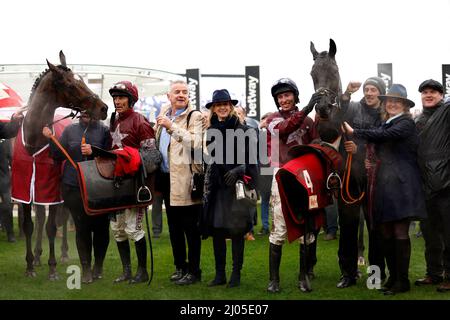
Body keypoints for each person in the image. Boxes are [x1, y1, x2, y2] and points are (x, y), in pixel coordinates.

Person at [343, 83, 426, 295]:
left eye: (397, 101)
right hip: (386, 184)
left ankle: (402, 281)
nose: (392, 104)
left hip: (402, 184)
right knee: (386, 232)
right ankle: (392, 278)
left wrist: (354, 132)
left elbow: (381, 136)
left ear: (405, 105)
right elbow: (378, 136)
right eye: (389, 101)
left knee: (399, 231)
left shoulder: (405, 123)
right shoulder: (387, 122)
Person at [265, 78, 322, 293]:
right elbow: (287, 127)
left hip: (304, 177)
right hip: (281, 176)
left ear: (294, 96)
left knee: (307, 227)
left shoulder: (308, 122)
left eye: (287, 95)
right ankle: (274, 280)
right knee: (279, 227)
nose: (284, 99)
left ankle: (303, 277)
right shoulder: (272, 119)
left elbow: (316, 144)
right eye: (280, 96)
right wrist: (307, 107)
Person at [42, 111, 112, 283]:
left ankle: (99, 266)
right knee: (82, 228)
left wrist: (94, 151)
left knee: (102, 228)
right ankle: (86, 268)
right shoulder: (70, 130)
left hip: (100, 186)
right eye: (83, 110)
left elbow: (112, 156)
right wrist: (50, 139)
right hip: (73, 186)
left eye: (89, 109)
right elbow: (57, 155)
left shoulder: (104, 130)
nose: (86, 113)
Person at [200, 89, 259, 288]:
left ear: (231, 106)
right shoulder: (210, 131)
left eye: (226, 104)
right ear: (214, 109)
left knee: (236, 232)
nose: (222, 107)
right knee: (217, 231)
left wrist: (240, 169)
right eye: (218, 105)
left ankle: (236, 274)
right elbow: (213, 159)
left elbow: (253, 160)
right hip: (218, 188)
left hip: (238, 189)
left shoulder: (243, 129)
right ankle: (219, 275)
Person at [335, 77, 387, 288]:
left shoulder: (386, 115)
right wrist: (347, 93)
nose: (369, 92)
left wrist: (361, 150)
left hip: (376, 178)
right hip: (350, 176)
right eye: (366, 89)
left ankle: (376, 275)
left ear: (380, 93)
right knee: (347, 226)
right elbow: (337, 115)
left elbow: (386, 141)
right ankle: (348, 273)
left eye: (373, 89)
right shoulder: (354, 108)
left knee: (375, 229)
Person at [109, 80, 158, 284]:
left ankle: (142, 271)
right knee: (118, 230)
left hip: (134, 185)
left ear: (131, 100)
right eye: (115, 97)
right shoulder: (113, 121)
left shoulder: (141, 121)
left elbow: (152, 158)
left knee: (133, 229)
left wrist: (131, 160)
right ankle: (126, 271)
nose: (117, 101)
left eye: (121, 97)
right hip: (114, 185)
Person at [155, 80, 203, 285]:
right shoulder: (164, 114)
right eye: (177, 92)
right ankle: (180, 267)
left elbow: (197, 143)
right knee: (174, 228)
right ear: (169, 96)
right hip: (166, 178)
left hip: (186, 180)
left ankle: (194, 271)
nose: (181, 95)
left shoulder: (196, 116)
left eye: (184, 92)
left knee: (190, 229)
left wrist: (171, 127)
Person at [413, 79, 450, 292]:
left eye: (433, 92)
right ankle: (433, 273)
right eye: (425, 92)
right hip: (424, 186)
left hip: (446, 186)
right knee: (429, 234)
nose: (428, 95)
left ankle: (449, 275)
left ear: (441, 95)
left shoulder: (446, 112)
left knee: (449, 234)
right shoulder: (418, 120)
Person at [257, 112, 274, 236]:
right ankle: (265, 226)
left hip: (274, 169)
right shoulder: (257, 134)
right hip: (262, 171)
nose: (266, 123)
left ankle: (276, 226)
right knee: (265, 200)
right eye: (265, 120)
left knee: (276, 200)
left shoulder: (275, 135)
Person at [0, 139, 15, 242]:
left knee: (7, 206)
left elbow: (12, 160)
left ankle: (10, 233)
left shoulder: (6, 142)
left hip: (4, 179)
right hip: (4, 178)